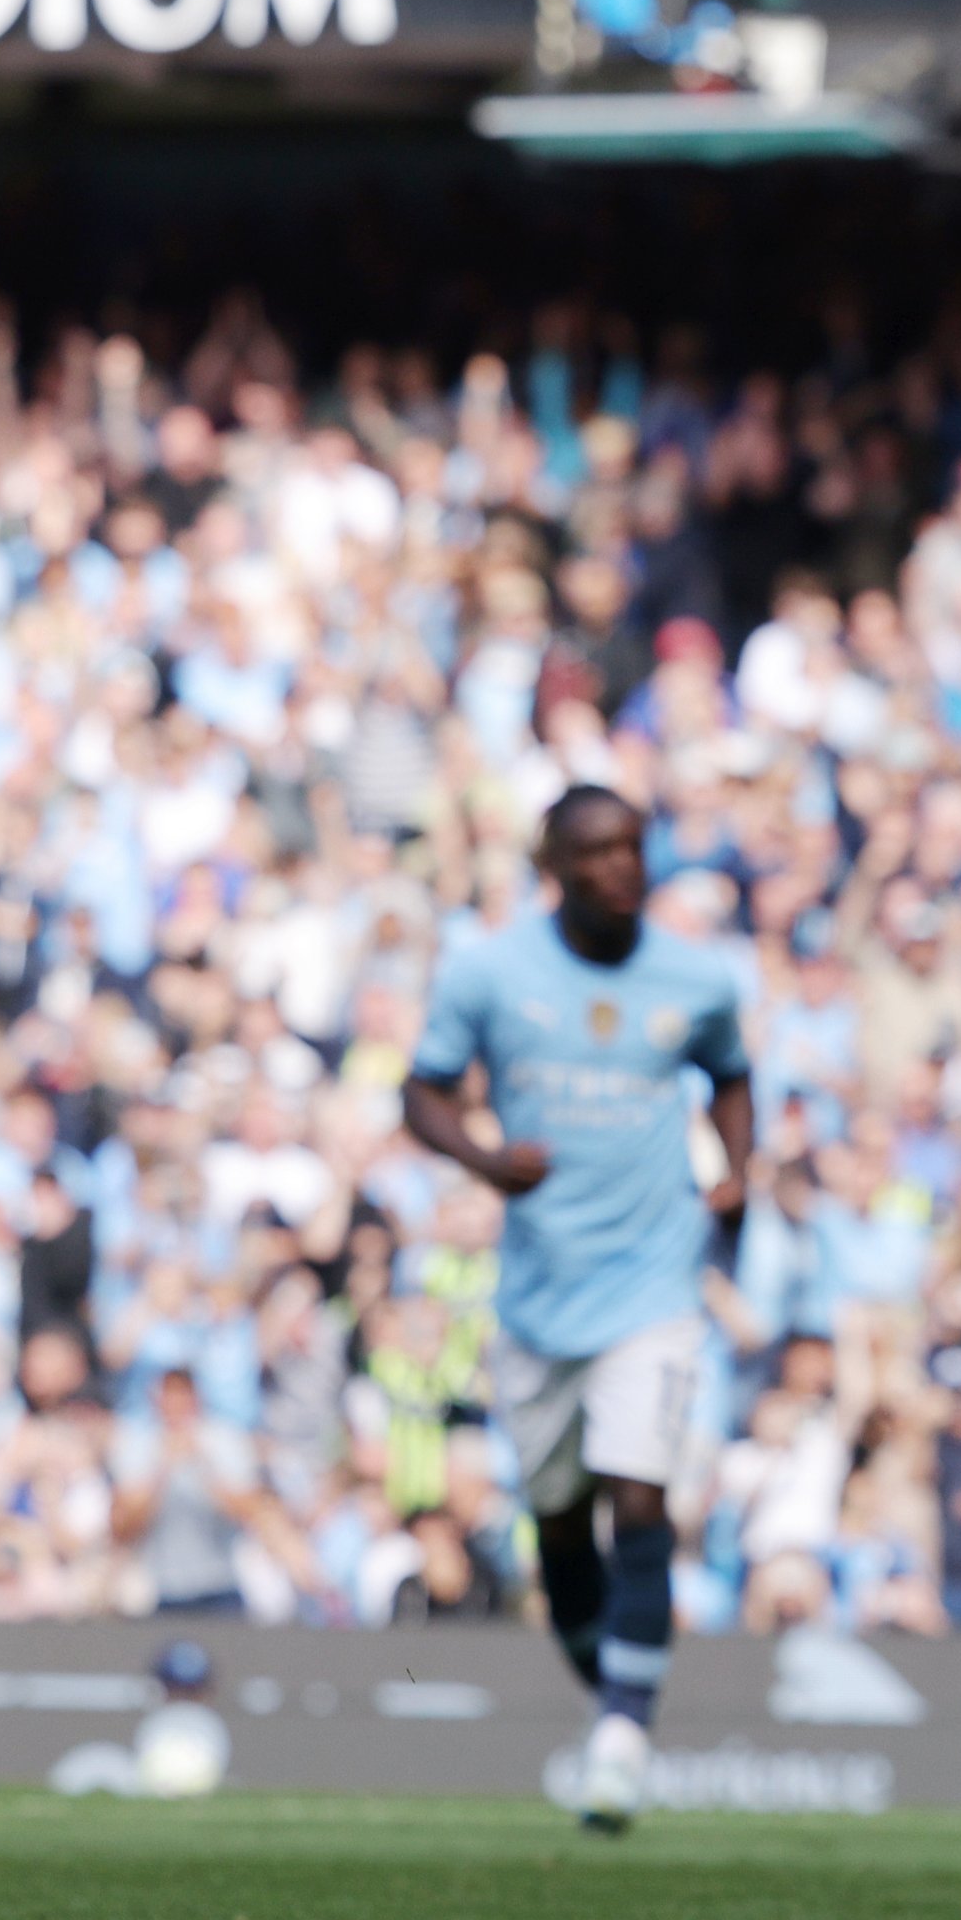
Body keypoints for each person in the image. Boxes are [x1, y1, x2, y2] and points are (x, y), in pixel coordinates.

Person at [403, 784, 753, 1833]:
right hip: (538, 1295)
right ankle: (616, 1694)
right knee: (559, 1523)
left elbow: (733, 1074)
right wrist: (480, 1157)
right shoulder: (489, 969)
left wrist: (736, 1169)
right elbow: (421, 1090)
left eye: (633, 848)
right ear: (554, 864)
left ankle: (623, 1734)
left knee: (639, 1494)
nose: (621, 868)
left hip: (654, 1283)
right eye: (596, 853)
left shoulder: (696, 977)